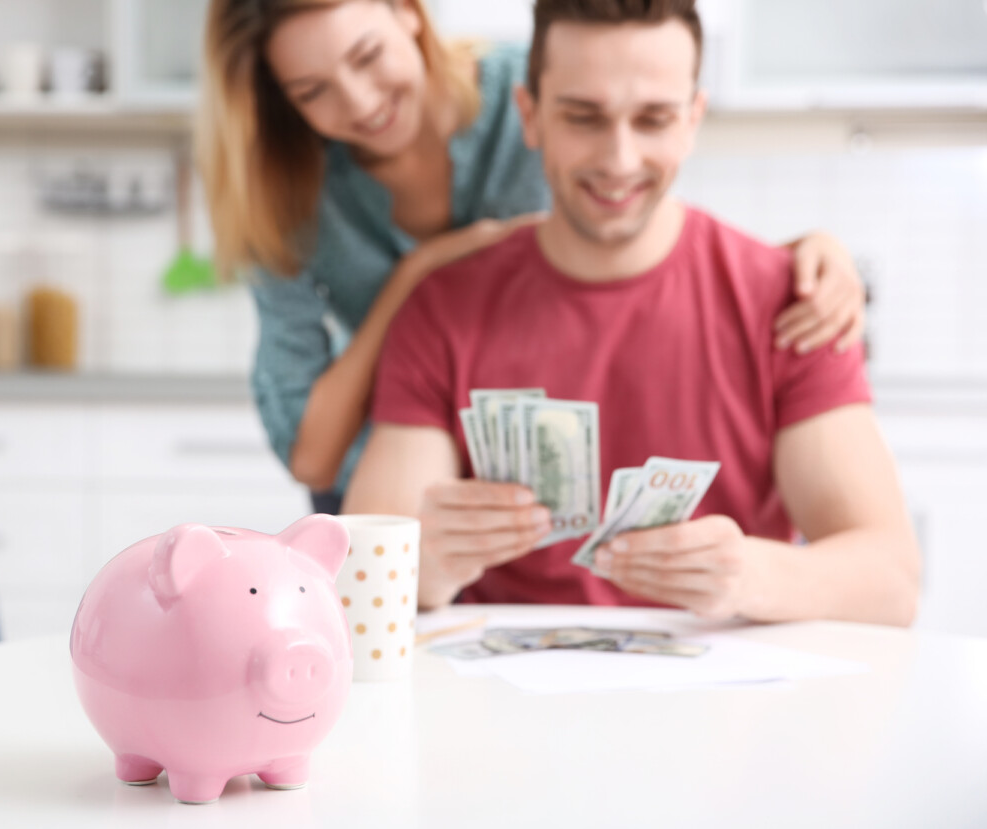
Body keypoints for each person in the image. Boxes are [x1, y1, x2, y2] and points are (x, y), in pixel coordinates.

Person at [341, 0, 920, 627]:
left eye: (653, 119)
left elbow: (891, 582)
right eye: (583, 117)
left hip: (724, 710)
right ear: (529, 116)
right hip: (500, 710)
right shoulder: (442, 309)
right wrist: (427, 563)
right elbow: (359, 580)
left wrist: (752, 575)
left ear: (692, 120)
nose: (618, 160)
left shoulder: (794, 303)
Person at [198, 0, 868, 515]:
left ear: (407, 12)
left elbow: (640, 217)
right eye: (312, 91)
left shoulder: (541, 91)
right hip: (396, 486)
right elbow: (313, 454)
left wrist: (803, 257)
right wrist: (416, 275)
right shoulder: (281, 193)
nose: (361, 102)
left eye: (368, 56)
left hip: (537, 490)